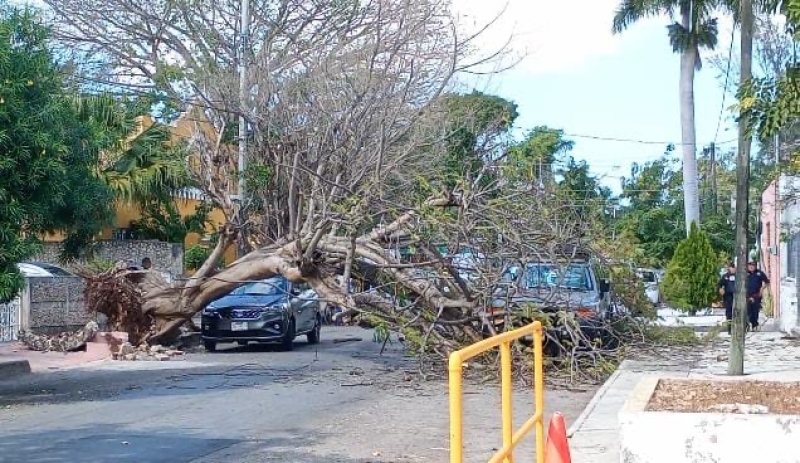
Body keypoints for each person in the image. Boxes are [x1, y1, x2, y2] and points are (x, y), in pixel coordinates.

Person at [746, 261, 770, 331]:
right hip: (747, 295)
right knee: (748, 311)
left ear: (755, 266)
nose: (751, 266)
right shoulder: (745, 273)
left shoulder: (759, 273)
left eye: (753, 265)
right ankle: (750, 324)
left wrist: (762, 288)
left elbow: (767, 282)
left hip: (756, 295)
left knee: (755, 311)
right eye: (749, 265)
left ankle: (754, 325)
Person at [717, 262, 737, 334]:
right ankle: (730, 329)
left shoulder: (739, 276)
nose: (733, 269)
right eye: (731, 267)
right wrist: (720, 290)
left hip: (737, 296)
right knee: (729, 313)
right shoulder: (725, 276)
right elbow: (719, 284)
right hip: (728, 297)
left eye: (734, 267)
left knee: (738, 313)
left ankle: (738, 329)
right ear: (729, 268)